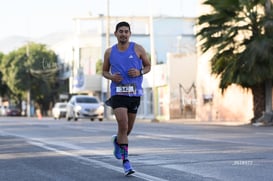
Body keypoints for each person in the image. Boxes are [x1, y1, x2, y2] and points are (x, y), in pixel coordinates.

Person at [102, 21, 151, 176]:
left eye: (126, 31)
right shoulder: (109, 52)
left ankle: (118, 141)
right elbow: (104, 71)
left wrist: (139, 72)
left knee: (127, 129)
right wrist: (111, 76)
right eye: (120, 31)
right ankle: (126, 162)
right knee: (123, 125)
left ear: (130, 33)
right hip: (117, 93)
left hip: (134, 93)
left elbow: (148, 66)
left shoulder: (138, 49)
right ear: (115, 33)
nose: (123, 34)